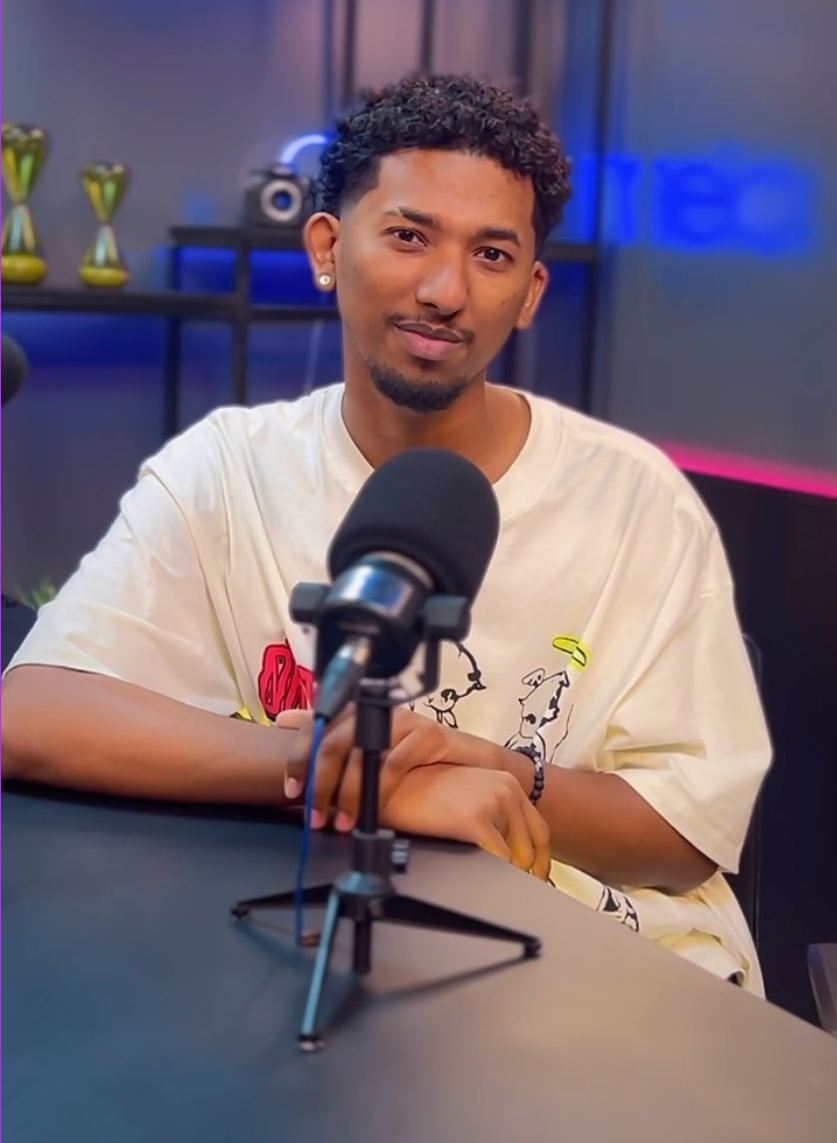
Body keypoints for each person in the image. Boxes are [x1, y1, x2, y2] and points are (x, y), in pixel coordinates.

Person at [1, 74, 770, 992]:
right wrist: (359, 772)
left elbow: (686, 835)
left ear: (529, 292)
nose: (445, 291)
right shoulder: (229, 467)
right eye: (408, 236)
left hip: (594, 980)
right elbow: (32, 713)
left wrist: (497, 772)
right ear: (327, 246)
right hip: (309, 955)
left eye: (492, 255)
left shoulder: (633, 498)